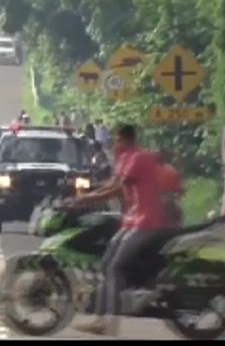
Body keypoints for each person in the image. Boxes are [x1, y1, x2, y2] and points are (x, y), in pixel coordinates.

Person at [70, 124, 167, 336]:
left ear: (124, 140)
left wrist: (87, 198)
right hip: (132, 220)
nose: (114, 144)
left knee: (114, 268)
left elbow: (117, 190)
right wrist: (87, 195)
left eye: (117, 140)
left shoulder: (138, 158)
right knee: (105, 264)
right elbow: (114, 183)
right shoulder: (128, 158)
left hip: (146, 221)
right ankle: (100, 317)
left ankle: (110, 323)